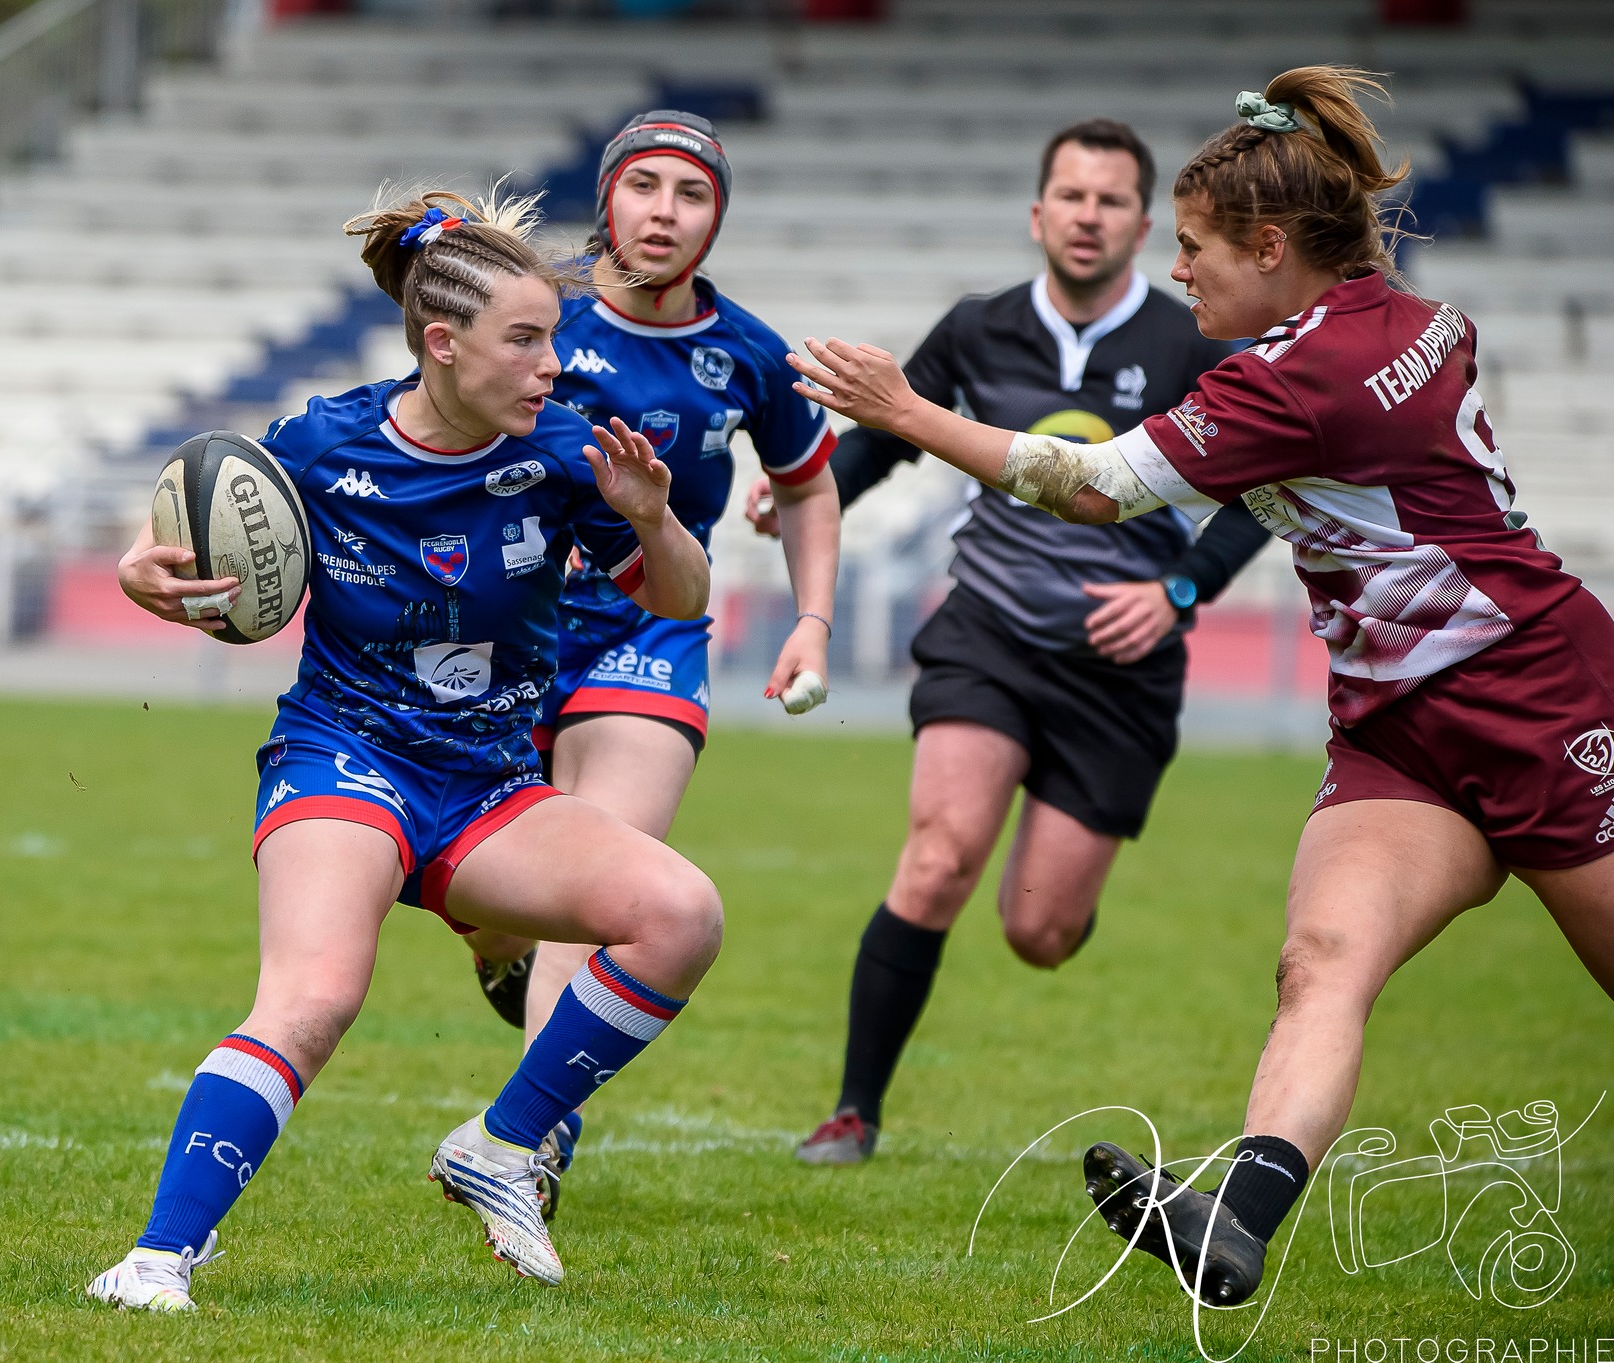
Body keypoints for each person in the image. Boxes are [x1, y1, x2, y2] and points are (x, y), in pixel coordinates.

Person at [784, 66, 1614, 1307]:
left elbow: (1087, 485)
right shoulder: (1389, 315)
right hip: (1396, 726)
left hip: (1537, 702)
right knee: (1319, 957)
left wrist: (906, 410)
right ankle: (1236, 1216)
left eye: (1194, 248)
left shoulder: (1289, 379)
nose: (1180, 273)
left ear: (1270, 246)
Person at [86, 188, 724, 1311]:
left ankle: (501, 1142)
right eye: (524, 340)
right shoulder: (321, 442)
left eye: (553, 341)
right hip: (345, 757)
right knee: (314, 994)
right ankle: (154, 1263)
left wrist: (652, 516)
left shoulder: (571, 452)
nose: (550, 365)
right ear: (442, 343)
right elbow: (169, 541)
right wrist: (144, 570)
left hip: (488, 787)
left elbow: (679, 596)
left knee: (681, 914)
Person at [759, 119, 1269, 1166]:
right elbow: (892, 437)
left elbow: (1267, 493)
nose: (1087, 217)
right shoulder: (979, 327)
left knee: (1037, 934)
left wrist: (1175, 590)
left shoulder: (1188, 345)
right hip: (985, 633)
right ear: (1037, 214)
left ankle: (1061, 889)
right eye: (1069, 197)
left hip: (1119, 668)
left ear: (1143, 224)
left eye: (1109, 200)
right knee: (937, 856)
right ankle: (852, 1112)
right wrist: (804, 493)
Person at [456, 111, 842, 1212]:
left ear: (717, 216)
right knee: (494, 909)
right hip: (499, 637)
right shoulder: (539, 319)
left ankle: (524, 1148)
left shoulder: (749, 355)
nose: (665, 212)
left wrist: (810, 617)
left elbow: (808, 483)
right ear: (607, 199)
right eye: (644, 187)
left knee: (602, 871)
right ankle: (497, 954)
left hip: (648, 632)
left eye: (691, 193)